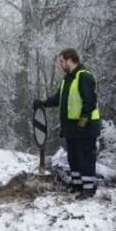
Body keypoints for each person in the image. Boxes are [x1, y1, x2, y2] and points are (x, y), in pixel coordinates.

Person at [34, 48, 101, 200]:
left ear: (70, 60)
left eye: (62, 61)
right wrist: (43, 102)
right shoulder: (67, 79)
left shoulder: (83, 76)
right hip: (71, 127)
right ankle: (77, 184)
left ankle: (89, 189)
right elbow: (58, 99)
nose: (60, 64)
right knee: (74, 157)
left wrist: (83, 122)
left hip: (86, 126)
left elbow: (90, 102)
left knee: (86, 158)